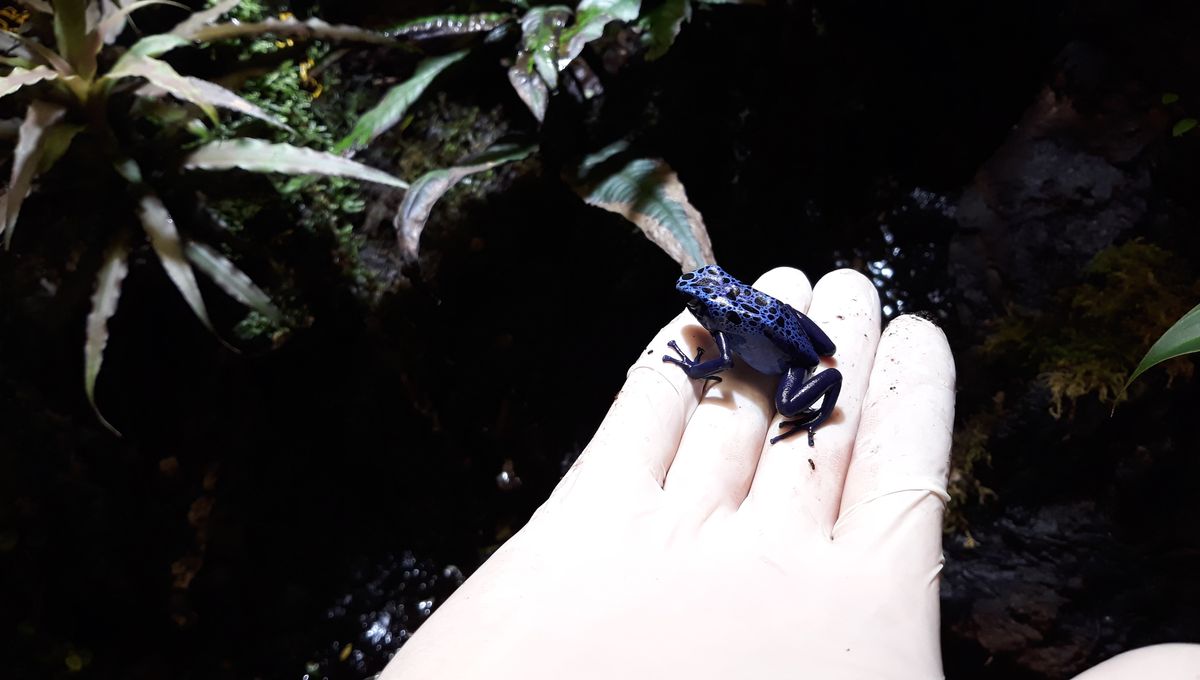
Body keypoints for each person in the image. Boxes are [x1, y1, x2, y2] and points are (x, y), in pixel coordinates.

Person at [381, 268, 1200, 679]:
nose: (696, 306)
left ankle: (803, 422)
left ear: (716, 303)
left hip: (803, 366)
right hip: (790, 342)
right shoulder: (726, 311)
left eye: (700, 301)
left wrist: (761, 398)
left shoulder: (728, 328)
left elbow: (734, 359)